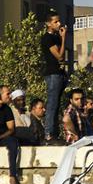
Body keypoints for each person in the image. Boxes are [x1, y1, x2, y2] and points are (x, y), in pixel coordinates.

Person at [41, 10, 67, 142]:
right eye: (55, 22)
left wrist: (61, 38)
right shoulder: (47, 38)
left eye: (59, 21)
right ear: (48, 24)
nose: (59, 24)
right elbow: (59, 56)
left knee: (57, 104)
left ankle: (55, 133)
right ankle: (48, 133)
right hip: (52, 74)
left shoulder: (57, 37)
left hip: (60, 73)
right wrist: (63, 38)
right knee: (52, 104)